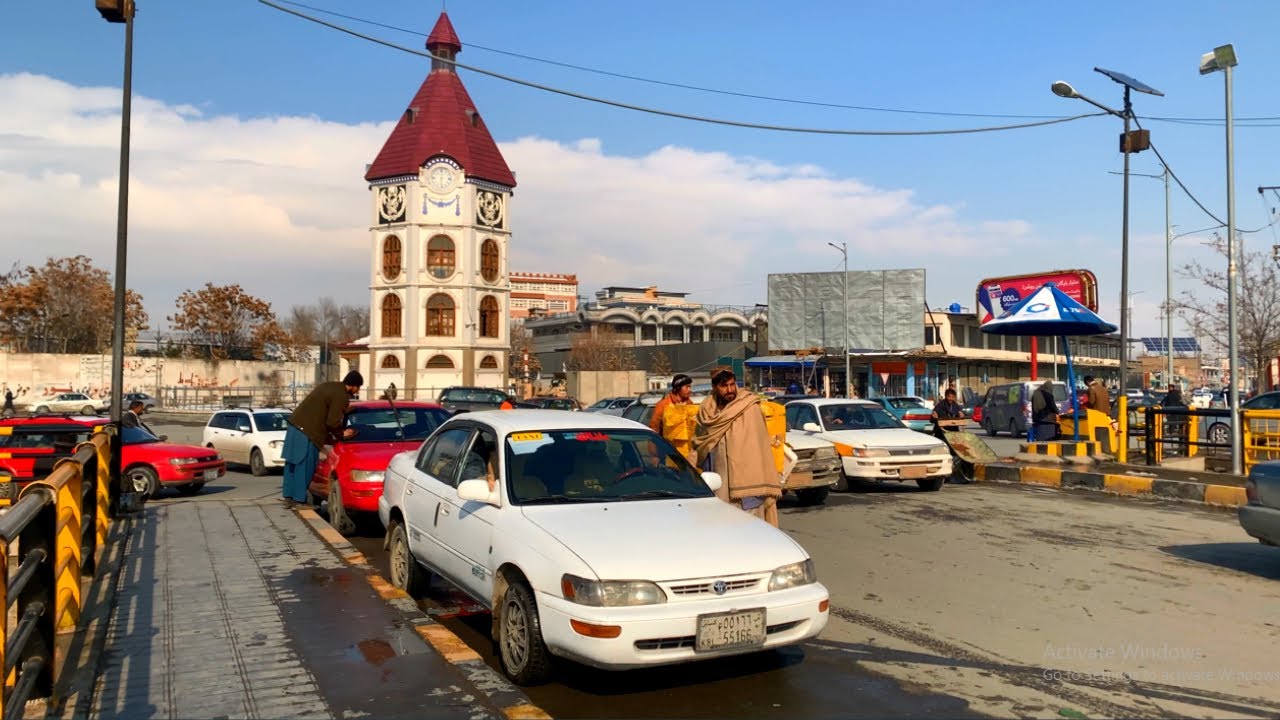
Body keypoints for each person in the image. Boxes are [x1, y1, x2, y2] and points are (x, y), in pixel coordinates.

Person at [692, 368, 782, 527]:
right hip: (719, 484)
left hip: (749, 488)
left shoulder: (749, 406)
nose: (730, 390)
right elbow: (700, 445)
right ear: (714, 387)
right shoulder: (706, 411)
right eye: (724, 386)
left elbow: (759, 447)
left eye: (732, 384)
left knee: (752, 531)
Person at [281, 370, 362, 508]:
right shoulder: (342, 395)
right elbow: (332, 422)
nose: (357, 390)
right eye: (358, 387)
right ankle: (300, 500)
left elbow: (325, 408)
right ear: (354, 386)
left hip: (295, 425)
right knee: (305, 464)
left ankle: (288, 497)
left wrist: (343, 411)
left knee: (292, 463)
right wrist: (342, 434)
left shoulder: (329, 386)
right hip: (308, 431)